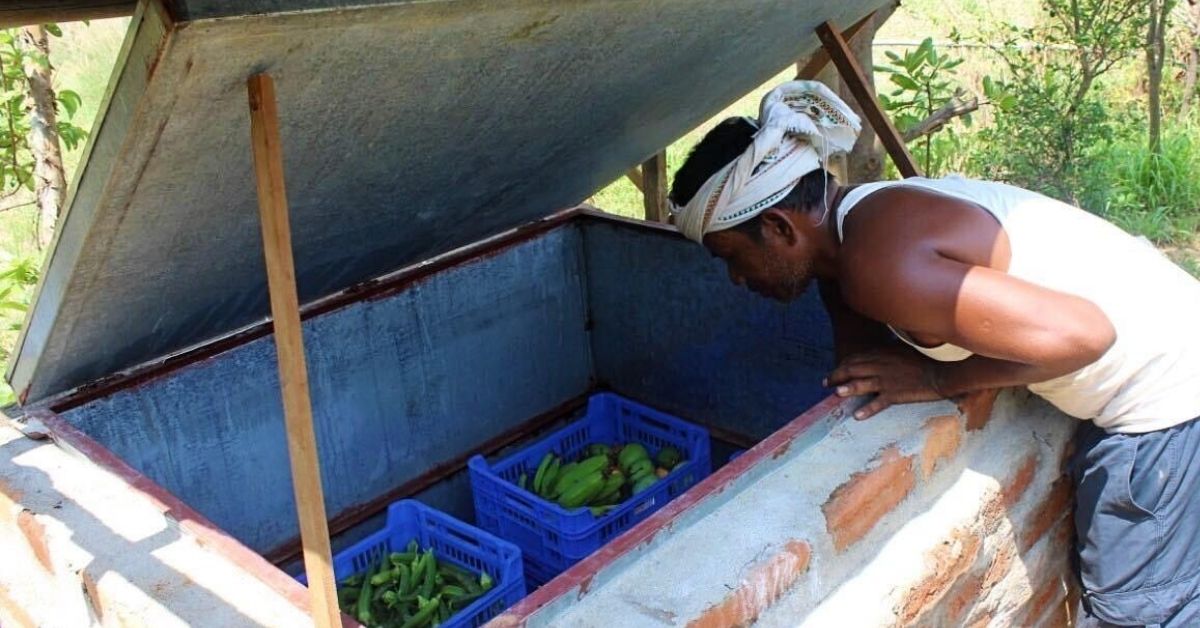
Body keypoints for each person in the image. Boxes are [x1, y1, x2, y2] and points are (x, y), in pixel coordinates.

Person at [668, 80, 1200, 627]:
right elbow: (857, 362)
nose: (735, 279)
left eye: (731, 257)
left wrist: (939, 379)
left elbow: (1084, 335)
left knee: (1136, 613)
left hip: (1168, 399)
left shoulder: (883, 265)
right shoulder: (859, 227)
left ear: (778, 227)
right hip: (1164, 362)